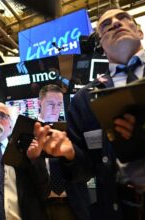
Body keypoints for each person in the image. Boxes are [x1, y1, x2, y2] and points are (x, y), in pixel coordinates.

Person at [63, 6, 145, 220]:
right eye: (106, 25)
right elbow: (84, 168)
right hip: (119, 210)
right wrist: (68, 155)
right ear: (101, 45)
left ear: (139, 32)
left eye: (123, 18)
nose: (115, 23)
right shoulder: (84, 99)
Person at [34, 84, 90, 220]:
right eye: (51, 104)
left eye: (59, 104)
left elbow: (86, 169)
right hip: (40, 206)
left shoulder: (72, 131)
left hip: (74, 204)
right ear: (39, 103)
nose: (55, 109)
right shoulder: (26, 131)